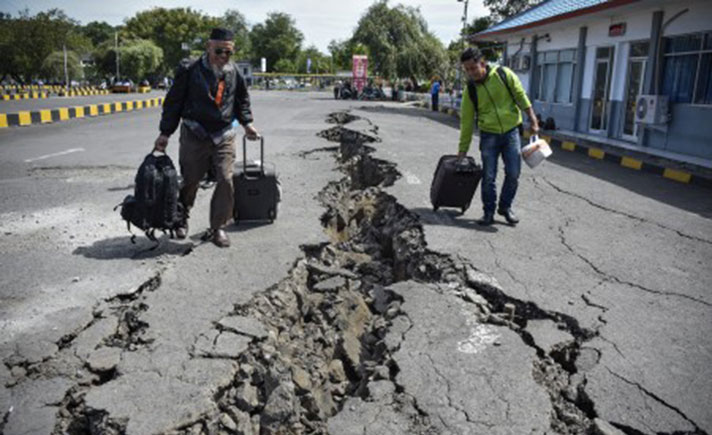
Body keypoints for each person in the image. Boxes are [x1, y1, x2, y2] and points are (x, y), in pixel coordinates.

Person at [154, 27, 260, 247]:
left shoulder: (234, 72)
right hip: (195, 132)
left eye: (228, 53)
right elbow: (173, 103)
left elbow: (241, 100)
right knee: (191, 180)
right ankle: (181, 217)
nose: (223, 57)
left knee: (225, 178)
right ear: (208, 46)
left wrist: (247, 123)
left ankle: (218, 227)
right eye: (219, 51)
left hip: (223, 134)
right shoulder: (189, 69)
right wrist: (165, 133)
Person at [458, 47, 539, 226]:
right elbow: (467, 122)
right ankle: (488, 212)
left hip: (511, 132)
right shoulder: (470, 90)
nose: (471, 73)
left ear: (483, 63)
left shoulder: (504, 74)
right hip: (489, 136)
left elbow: (520, 96)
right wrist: (462, 151)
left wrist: (532, 119)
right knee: (488, 176)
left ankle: (505, 207)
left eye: (473, 68)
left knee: (513, 173)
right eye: (467, 70)